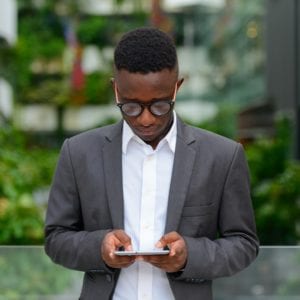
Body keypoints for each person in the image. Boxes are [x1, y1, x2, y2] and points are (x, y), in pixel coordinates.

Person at [45, 27, 259, 300]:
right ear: (115, 89)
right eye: (131, 106)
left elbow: (244, 244)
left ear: (176, 88)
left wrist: (189, 256)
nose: (145, 119)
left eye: (159, 105)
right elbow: (56, 238)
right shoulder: (78, 153)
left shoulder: (222, 156)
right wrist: (99, 248)